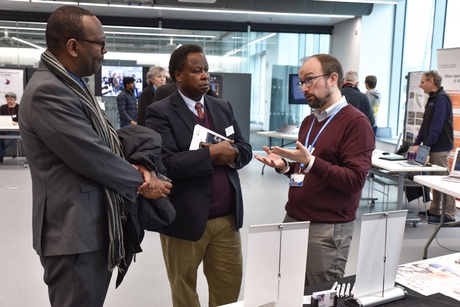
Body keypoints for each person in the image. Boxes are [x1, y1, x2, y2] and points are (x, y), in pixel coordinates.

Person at [18, 6, 172, 306]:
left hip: (89, 227)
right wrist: (144, 181)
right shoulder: (48, 91)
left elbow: (103, 141)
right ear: (73, 46)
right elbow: (91, 155)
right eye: (99, 43)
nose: (105, 49)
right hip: (74, 232)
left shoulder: (71, 85)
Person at [145, 44, 252, 307]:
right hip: (184, 219)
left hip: (226, 220)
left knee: (229, 290)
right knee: (184, 291)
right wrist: (212, 154)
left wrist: (234, 154)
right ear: (178, 75)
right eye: (197, 71)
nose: (205, 76)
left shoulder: (222, 107)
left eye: (206, 70)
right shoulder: (160, 112)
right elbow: (165, 163)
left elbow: (245, 150)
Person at [255, 54, 374, 286]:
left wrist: (311, 163)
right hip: (294, 217)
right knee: (287, 288)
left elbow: (355, 180)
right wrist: (285, 167)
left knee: (319, 295)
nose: (304, 88)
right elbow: (307, 170)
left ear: (332, 79)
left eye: (309, 80)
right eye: (301, 82)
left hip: (326, 227)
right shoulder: (310, 121)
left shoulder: (356, 123)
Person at [415, 70, 455, 224]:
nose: (420, 85)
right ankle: (435, 210)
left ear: (431, 81)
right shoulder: (432, 99)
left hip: (440, 147)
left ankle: (449, 214)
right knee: (435, 181)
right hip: (432, 146)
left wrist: (427, 146)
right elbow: (426, 124)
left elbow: (436, 126)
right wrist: (418, 143)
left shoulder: (442, 99)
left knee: (443, 181)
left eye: (423, 82)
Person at [0, 91, 20, 163]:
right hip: (3, 129)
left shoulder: (19, 107)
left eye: (11, 99)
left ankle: (1, 155)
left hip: (15, 130)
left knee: (5, 141)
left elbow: (23, 120)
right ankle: (1, 155)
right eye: (7, 99)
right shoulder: (3, 107)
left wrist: (16, 123)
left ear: (15, 99)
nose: (9, 101)